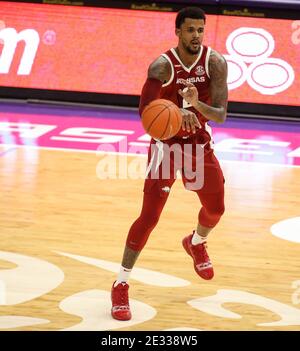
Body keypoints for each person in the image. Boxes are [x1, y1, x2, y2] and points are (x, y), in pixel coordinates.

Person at [111, 6, 228, 321]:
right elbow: (145, 113)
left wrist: (194, 104)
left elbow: (220, 114)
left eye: (200, 30)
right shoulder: (162, 66)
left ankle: (196, 242)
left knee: (216, 210)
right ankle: (121, 284)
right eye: (190, 30)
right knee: (149, 216)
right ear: (178, 31)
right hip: (165, 146)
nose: (196, 36)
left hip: (198, 146)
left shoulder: (215, 63)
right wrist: (176, 115)